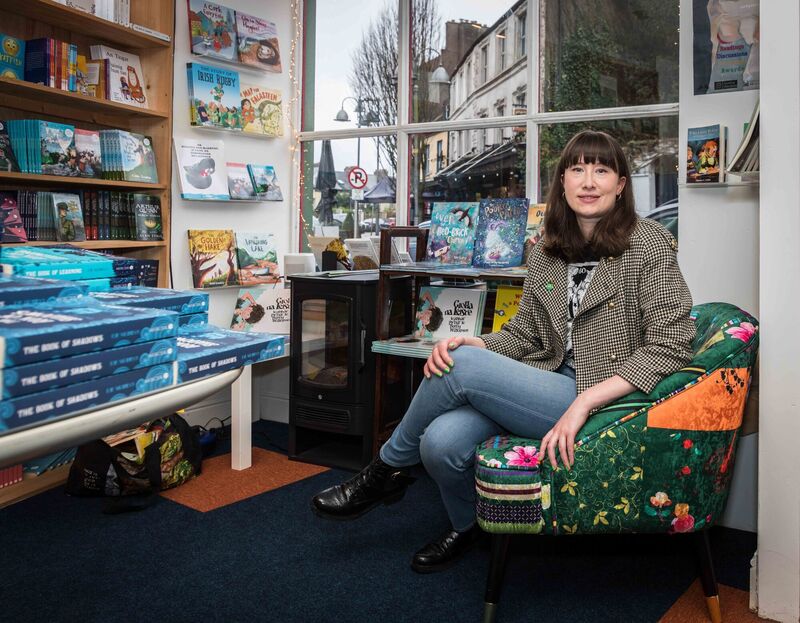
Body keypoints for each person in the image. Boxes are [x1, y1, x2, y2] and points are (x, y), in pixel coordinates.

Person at [311, 130, 695, 573]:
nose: (589, 181)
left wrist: (584, 403)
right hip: (542, 383)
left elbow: (671, 344)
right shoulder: (548, 250)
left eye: (602, 170)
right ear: (563, 182)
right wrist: (477, 342)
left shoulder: (648, 243)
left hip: (602, 397)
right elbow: (525, 334)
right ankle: (467, 527)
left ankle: (384, 471)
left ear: (621, 184)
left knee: (460, 365)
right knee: (439, 443)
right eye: (577, 169)